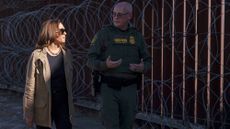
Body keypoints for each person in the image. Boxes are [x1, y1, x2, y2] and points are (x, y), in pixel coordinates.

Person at [87, 1, 151, 129]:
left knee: (127, 124)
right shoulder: (104, 34)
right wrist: (105, 65)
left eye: (120, 15)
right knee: (111, 124)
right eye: (114, 14)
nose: (116, 17)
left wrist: (142, 67)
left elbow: (148, 60)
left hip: (130, 88)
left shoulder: (136, 36)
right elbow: (90, 59)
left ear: (130, 16)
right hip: (109, 88)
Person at [23, 19, 74, 129]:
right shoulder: (37, 56)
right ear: (53, 32)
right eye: (62, 30)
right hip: (44, 107)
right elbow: (30, 88)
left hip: (63, 106)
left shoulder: (67, 54)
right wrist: (28, 113)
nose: (65, 33)